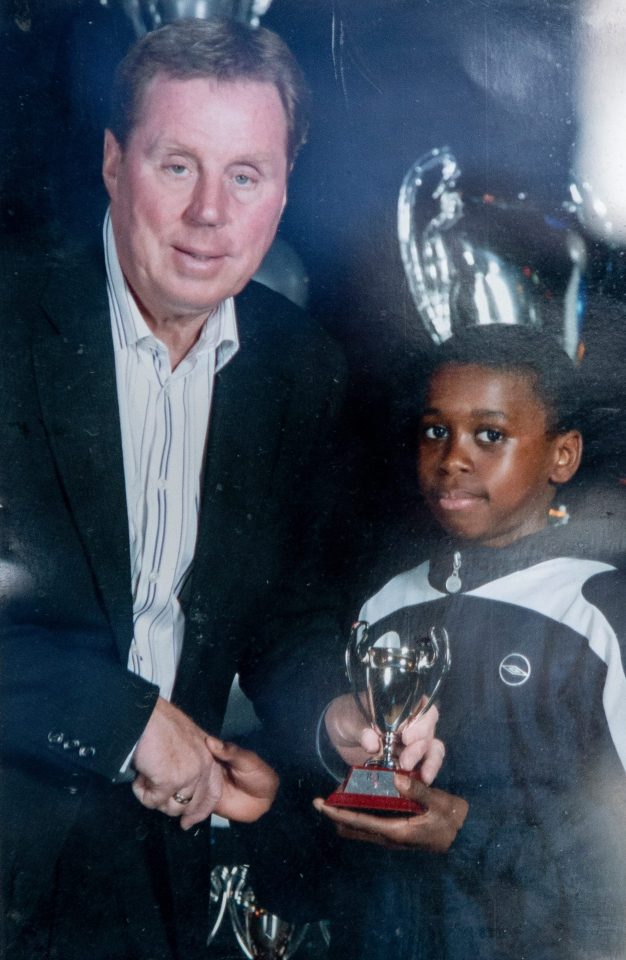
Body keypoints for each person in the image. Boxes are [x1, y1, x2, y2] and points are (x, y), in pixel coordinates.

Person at [0, 17, 352, 960]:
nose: (211, 214)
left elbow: (287, 614)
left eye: (246, 175)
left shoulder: (301, 367)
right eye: (176, 166)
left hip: (166, 870)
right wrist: (121, 723)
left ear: (283, 190)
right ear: (114, 164)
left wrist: (333, 715)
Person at [315, 325, 626, 959]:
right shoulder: (386, 605)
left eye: (491, 436)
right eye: (436, 431)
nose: (454, 458)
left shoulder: (599, 610)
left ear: (562, 456)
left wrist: (467, 830)